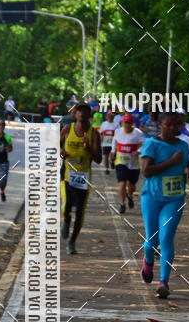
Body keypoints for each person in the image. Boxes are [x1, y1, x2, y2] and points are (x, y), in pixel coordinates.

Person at [140, 112, 189, 298]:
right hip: (152, 198)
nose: (172, 128)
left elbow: (184, 164)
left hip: (174, 198)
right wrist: (171, 161)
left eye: (175, 125)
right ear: (159, 125)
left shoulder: (183, 146)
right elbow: (146, 171)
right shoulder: (151, 144)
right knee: (150, 242)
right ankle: (148, 261)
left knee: (166, 237)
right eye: (167, 124)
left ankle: (163, 282)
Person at [60, 103, 102, 254]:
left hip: (83, 178)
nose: (82, 114)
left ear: (89, 115)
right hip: (66, 175)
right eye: (79, 111)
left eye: (86, 111)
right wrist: (61, 152)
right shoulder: (67, 129)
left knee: (79, 212)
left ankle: (72, 242)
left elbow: (98, 159)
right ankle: (65, 220)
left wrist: (88, 147)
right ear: (75, 114)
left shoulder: (93, 134)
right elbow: (54, 147)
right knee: (66, 206)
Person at [112, 113, 144, 214]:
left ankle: (129, 196)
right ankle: (122, 204)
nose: (127, 125)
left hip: (134, 164)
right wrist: (113, 151)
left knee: (132, 186)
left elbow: (145, 144)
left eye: (129, 123)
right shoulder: (118, 131)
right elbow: (114, 141)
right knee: (122, 183)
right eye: (125, 123)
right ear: (122, 123)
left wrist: (138, 151)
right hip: (120, 162)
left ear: (132, 124)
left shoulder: (138, 133)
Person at [99, 110, 116, 174]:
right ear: (106, 117)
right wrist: (101, 139)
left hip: (113, 144)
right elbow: (101, 133)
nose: (110, 117)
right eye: (109, 116)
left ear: (113, 117)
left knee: (113, 156)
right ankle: (107, 169)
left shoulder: (116, 124)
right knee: (106, 156)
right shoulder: (104, 124)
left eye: (111, 116)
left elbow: (119, 133)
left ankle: (112, 162)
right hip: (105, 143)